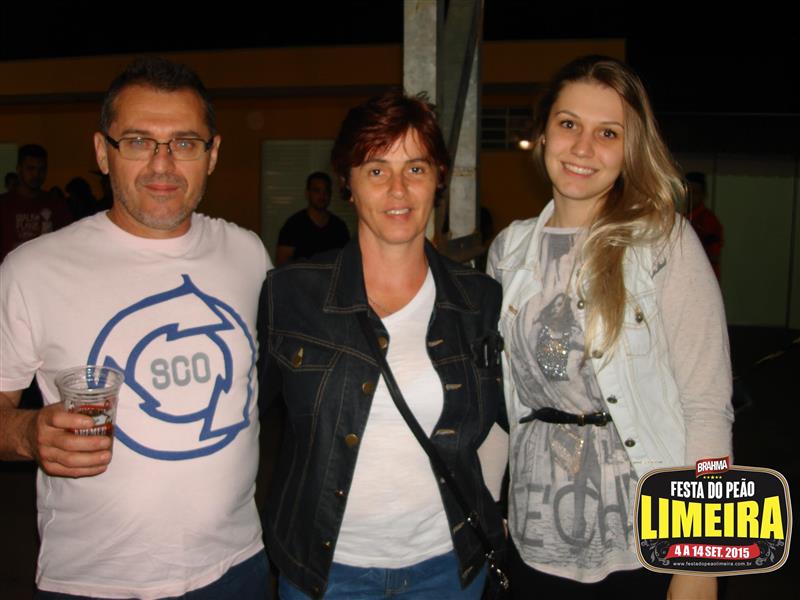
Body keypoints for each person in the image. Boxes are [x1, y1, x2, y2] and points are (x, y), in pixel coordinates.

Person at [0, 57, 271, 599]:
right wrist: (27, 433)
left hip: (236, 566)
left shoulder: (248, 254)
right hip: (93, 579)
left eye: (185, 143)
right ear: (103, 152)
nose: (161, 165)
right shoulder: (32, 270)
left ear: (213, 154)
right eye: (139, 142)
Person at [487, 56, 733, 599]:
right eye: (568, 124)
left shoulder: (664, 242)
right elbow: (501, 405)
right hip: (533, 535)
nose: (583, 147)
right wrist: (485, 511)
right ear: (543, 134)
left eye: (608, 133)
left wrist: (702, 558)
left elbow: (707, 406)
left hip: (643, 541)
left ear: (629, 150)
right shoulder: (508, 251)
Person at [260, 89, 506, 599]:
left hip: (447, 570)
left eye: (415, 168)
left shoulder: (479, 299)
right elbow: (248, 421)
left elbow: (498, 428)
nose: (398, 189)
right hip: (325, 575)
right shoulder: (291, 294)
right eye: (376, 170)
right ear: (347, 183)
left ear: (438, 177)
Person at [0, 144, 71, 261]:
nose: (36, 174)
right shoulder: (4, 205)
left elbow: (66, 244)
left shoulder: (56, 205)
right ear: (19, 169)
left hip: (46, 269)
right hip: (9, 270)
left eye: (41, 169)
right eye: (30, 168)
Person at [274, 171, 350, 265]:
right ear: (307, 193)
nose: (322, 195)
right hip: (301, 274)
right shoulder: (293, 225)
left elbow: (347, 261)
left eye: (326, 191)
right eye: (317, 190)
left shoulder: (339, 227)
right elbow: (281, 263)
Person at [686, 171, 723, 279]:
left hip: (703, 277)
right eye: (688, 192)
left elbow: (714, 255)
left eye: (695, 192)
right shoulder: (683, 218)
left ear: (703, 195)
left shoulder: (708, 221)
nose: (691, 196)